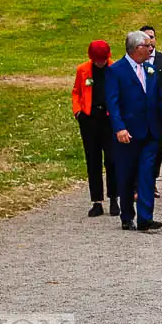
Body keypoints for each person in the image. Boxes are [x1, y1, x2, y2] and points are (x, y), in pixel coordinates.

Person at [107, 30, 162, 232]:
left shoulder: (150, 69)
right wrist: (119, 128)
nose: (151, 48)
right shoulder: (116, 70)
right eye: (147, 46)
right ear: (136, 49)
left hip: (151, 132)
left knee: (147, 174)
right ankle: (127, 214)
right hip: (128, 133)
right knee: (126, 175)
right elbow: (113, 102)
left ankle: (145, 217)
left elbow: (160, 99)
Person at [72, 40, 118, 217]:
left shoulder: (115, 69)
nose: (100, 63)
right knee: (93, 160)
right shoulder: (83, 70)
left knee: (112, 160)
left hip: (109, 120)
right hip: (90, 120)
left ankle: (114, 197)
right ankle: (96, 201)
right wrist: (78, 112)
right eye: (97, 60)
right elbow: (76, 92)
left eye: (103, 59)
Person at [141, 25, 162, 195]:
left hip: (158, 110)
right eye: (146, 37)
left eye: (152, 37)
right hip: (140, 110)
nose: (150, 40)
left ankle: (152, 180)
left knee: (158, 148)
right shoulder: (136, 60)